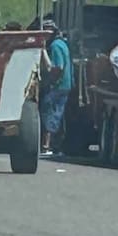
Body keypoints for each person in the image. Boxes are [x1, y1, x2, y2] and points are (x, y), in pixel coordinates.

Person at [39, 20, 73, 158]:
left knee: (50, 113)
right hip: (64, 85)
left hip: (58, 86)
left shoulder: (55, 46)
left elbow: (57, 67)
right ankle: (56, 145)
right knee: (57, 113)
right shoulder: (62, 44)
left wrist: (50, 82)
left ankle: (47, 145)